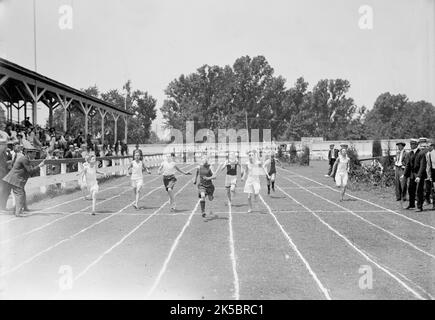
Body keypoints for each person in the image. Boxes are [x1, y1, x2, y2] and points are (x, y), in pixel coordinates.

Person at [2, 145, 46, 216]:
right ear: (29, 153)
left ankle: (24, 208)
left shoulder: (25, 158)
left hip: (13, 179)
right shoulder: (25, 159)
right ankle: (18, 212)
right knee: (20, 194)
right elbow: (30, 171)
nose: (35, 154)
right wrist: (39, 166)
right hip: (15, 179)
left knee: (22, 193)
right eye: (34, 153)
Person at [413, 138, 429, 212]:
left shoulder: (422, 153)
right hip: (417, 173)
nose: (422, 146)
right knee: (420, 190)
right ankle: (419, 205)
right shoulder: (419, 152)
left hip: (420, 174)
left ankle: (419, 206)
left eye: (423, 145)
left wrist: (419, 176)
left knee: (419, 190)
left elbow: (422, 166)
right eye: (421, 144)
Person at [404, 138, 419, 210]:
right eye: (411, 144)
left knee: (419, 190)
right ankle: (411, 204)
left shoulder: (420, 153)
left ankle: (420, 205)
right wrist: (405, 175)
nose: (411, 145)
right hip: (412, 175)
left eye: (413, 144)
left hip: (418, 174)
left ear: (416, 145)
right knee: (410, 189)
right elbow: (408, 165)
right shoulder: (409, 153)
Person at [426, 141, 435, 210]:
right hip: (432, 172)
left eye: (428, 146)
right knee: (433, 189)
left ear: (432, 146)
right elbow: (428, 165)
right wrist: (429, 175)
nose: (427, 147)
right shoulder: (428, 154)